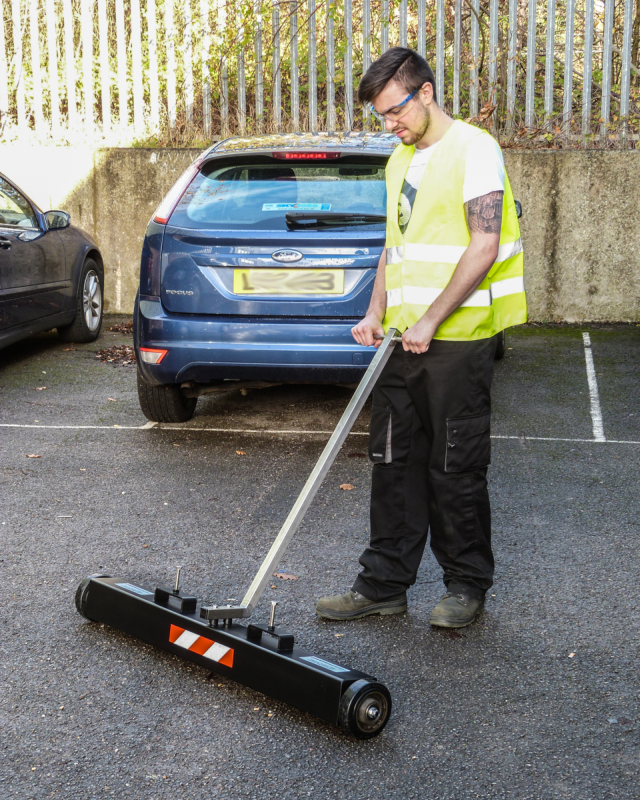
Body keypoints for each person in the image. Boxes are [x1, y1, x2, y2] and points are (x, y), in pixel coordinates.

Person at [315, 48, 527, 628]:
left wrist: (432, 319)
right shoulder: (399, 161)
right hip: (401, 342)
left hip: (456, 341)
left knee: (453, 465)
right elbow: (395, 247)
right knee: (392, 461)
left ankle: (465, 585)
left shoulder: (475, 149)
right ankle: (383, 584)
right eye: (381, 117)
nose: (390, 125)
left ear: (426, 92)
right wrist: (374, 309)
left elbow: (483, 246)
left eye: (395, 111)